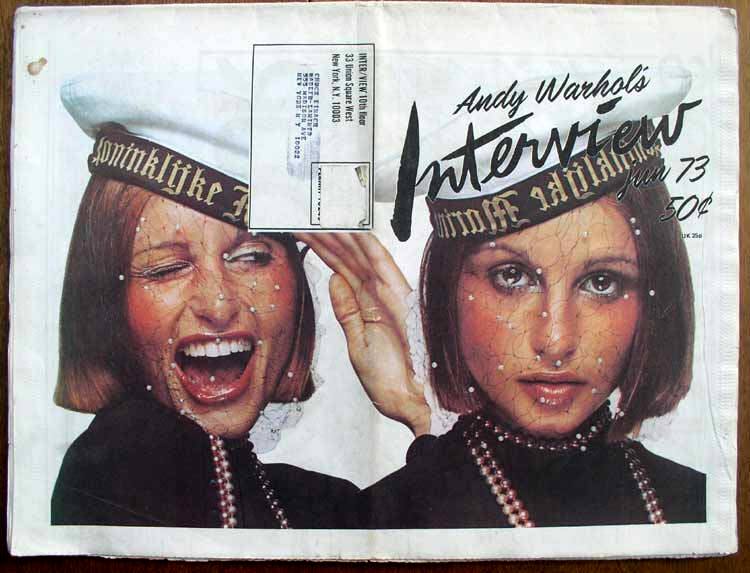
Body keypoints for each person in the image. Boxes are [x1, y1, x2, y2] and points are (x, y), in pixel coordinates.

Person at [301, 75, 706, 527]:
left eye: (601, 283)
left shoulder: (699, 504)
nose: (555, 341)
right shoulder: (375, 517)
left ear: (654, 296)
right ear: (447, 290)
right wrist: (425, 415)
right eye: (512, 277)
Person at [51, 73, 359, 528]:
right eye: (166, 269)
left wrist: (418, 409)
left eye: (252, 257)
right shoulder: (111, 473)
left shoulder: (325, 504)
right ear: (106, 301)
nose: (218, 304)